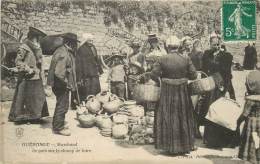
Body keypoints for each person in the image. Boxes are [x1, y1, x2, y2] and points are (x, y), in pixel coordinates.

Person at [150, 35, 197, 155]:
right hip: (182, 91)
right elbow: (194, 75)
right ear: (179, 46)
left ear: (167, 46)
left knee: (167, 115)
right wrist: (183, 77)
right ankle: (184, 145)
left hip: (167, 91)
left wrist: (162, 78)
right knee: (182, 115)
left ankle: (167, 145)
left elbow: (153, 74)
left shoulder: (162, 59)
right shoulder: (186, 59)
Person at [201, 35, 238, 148]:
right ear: (210, 44)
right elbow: (204, 69)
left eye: (218, 44)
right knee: (212, 110)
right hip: (212, 85)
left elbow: (226, 72)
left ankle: (226, 140)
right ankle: (212, 140)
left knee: (225, 110)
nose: (216, 47)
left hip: (223, 85)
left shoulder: (226, 56)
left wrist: (226, 89)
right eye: (214, 44)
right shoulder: (207, 54)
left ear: (220, 44)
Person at [8, 27, 49, 123]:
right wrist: (27, 69)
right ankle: (25, 118)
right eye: (38, 37)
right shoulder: (24, 47)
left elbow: (39, 62)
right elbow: (18, 62)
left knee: (37, 98)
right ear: (33, 37)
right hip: (27, 78)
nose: (39, 39)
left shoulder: (38, 47)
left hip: (36, 76)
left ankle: (35, 116)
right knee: (25, 98)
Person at [47, 33, 79, 136]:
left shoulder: (62, 50)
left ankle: (57, 124)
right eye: (74, 43)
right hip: (61, 84)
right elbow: (59, 72)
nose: (75, 46)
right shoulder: (64, 53)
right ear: (69, 42)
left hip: (58, 83)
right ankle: (58, 128)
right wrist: (67, 83)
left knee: (61, 103)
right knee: (63, 105)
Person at [237, 70, 260, 164]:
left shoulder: (251, 100)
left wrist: (238, 122)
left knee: (252, 144)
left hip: (252, 125)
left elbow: (245, 114)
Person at [76, 33, 103, 102]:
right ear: (85, 41)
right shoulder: (81, 49)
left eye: (92, 41)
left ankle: (96, 104)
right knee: (87, 91)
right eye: (89, 41)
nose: (91, 42)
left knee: (95, 90)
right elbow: (79, 63)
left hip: (94, 73)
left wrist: (100, 70)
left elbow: (96, 59)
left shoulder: (93, 47)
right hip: (86, 74)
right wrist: (79, 77)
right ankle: (87, 104)